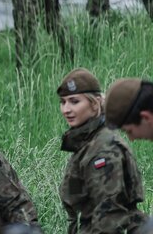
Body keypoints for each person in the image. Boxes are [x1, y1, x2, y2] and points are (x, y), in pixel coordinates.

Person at [57, 68, 146, 233]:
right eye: (63, 102)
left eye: (74, 101)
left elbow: (110, 217)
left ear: (94, 103)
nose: (66, 109)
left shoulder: (103, 149)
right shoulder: (87, 144)